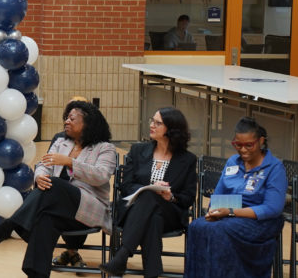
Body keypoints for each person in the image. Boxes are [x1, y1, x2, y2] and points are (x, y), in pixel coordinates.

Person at [0, 101, 115, 278]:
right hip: (59, 209)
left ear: (88, 124)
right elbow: (43, 165)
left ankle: (10, 224)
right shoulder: (61, 143)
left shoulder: (105, 148)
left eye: (72, 119)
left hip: (89, 209)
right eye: (66, 118)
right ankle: (36, 274)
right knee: (45, 219)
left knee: (56, 184)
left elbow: (101, 176)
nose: (66, 121)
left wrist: (69, 162)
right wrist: (39, 177)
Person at [100, 107, 197, 277]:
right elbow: (126, 185)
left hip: (170, 213)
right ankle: (151, 273)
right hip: (136, 210)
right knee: (153, 216)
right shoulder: (138, 151)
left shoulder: (187, 159)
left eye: (158, 123)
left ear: (171, 129)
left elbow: (188, 197)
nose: (152, 125)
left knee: (153, 202)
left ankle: (123, 254)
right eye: (152, 121)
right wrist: (148, 189)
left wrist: (171, 196)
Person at [184, 117, 286, 277]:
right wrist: (215, 212)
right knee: (197, 226)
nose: (243, 150)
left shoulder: (274, 167)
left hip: (260, 221)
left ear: (261, 141)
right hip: (228, 215)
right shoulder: (233, 162)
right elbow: (218, 195)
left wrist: (231, 212)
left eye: (248, 145)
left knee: (220, 231)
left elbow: (273, 208)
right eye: (238, 145)